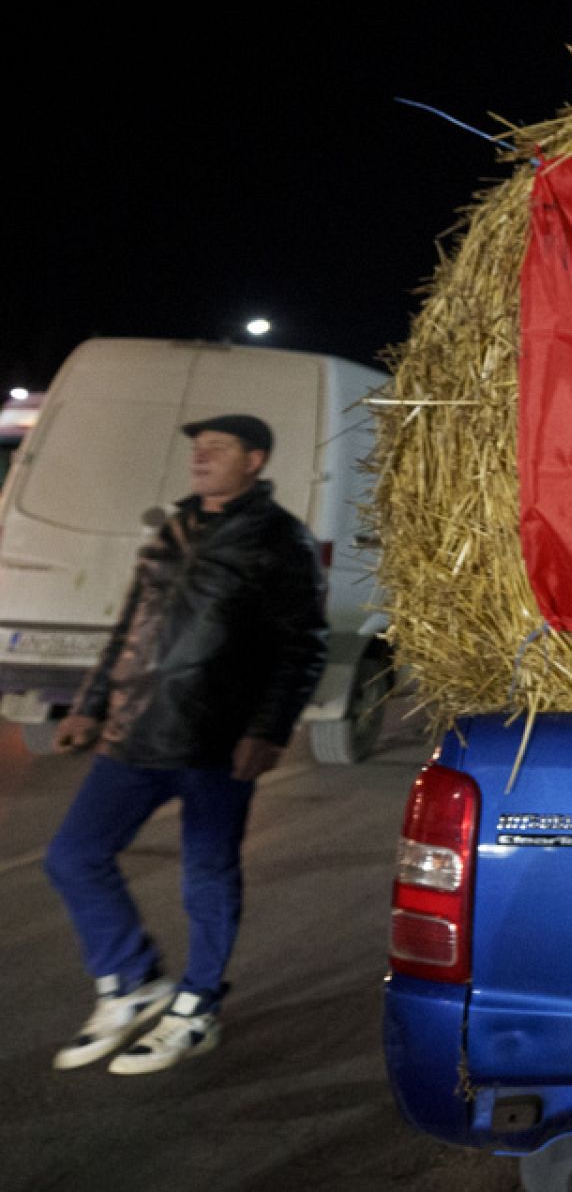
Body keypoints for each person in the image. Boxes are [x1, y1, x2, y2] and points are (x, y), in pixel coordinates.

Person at [42, 413, 327, 1074]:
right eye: (197, 447)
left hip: (216, 738)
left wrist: (268, 729)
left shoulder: (280, 539)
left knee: (207, 873)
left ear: (253, 459)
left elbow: (302, 646)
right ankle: (131, 980)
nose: (200, 456)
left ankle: (196, 1006)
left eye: (217, 447)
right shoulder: (171, 529)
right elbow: (128, 627)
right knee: (73, 855)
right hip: (134, 729)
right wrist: (87, 705)